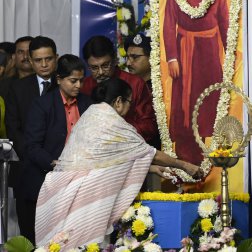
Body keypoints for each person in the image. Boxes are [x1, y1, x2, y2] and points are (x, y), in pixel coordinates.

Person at [35, 78, 202, 250]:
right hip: (89, 193)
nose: (130, 107)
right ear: (118, 102)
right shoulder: (111, 120)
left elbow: (107, 160)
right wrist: (185, 166)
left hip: (68, 190)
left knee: (70, 244)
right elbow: (149, 152)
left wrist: (150, 168)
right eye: (129, 102)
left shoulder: (91, 114)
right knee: (86, 244)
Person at [163, 0, 229, 165]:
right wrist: (172, 57)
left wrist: (229, 58)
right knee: (185, 108)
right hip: (184, 52)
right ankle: (186, 161)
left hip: (209, 53)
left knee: (210, 103)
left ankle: (213, 161)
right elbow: (169, 23)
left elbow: (224, 21)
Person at [20, 54, 93, 243]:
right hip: (45, 180)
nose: (78, 85)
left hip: (78, 181)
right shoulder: (42, 105)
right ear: (59, 79)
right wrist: (55, 163)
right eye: (73, 81)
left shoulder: (87, 103)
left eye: (81, 81)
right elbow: (32, 146)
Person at [5, 36, 58, 239]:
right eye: (38, 60)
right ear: (30, 60)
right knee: (28, 232)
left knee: (58, 234)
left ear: (56, 58)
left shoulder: (65, 85)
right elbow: (13, 128)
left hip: (58, 169)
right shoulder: (17, 88)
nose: (44, 64)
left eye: (48, 59)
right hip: (27, 169)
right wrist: (36, 156)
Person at [81, 35, 160, 148]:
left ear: (114, 60)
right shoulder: (85, 85)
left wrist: (117, 130)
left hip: (130, 148)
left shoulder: (135, 83)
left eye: (105, 65)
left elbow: (149, 126)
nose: (101, 72)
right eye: (94, 68)